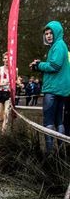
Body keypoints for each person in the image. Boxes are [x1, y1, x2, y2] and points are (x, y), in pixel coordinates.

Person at [29, 21, 70, 152]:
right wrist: (41, 64)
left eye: (51, 33)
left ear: (57, 32)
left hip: (53, 89)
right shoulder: (59, 46)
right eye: (46, 34)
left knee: (48, 121)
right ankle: (61, 151)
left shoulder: (58, 45)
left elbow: (54, 66)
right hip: (59, 89)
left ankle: (50, 152)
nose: (48, 36)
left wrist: (38, 66)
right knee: (59, 120)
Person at [0, 52, 13, 133]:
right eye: (5, 58)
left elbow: (16, 80)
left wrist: (20, 84)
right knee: (0, 118)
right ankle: (4, 126)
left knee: (6, 114)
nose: (7, 60)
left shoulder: (14, 69)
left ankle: (3, 134)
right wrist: (0, 84)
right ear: (3, 59)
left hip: (8, 94)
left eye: (8, 58)